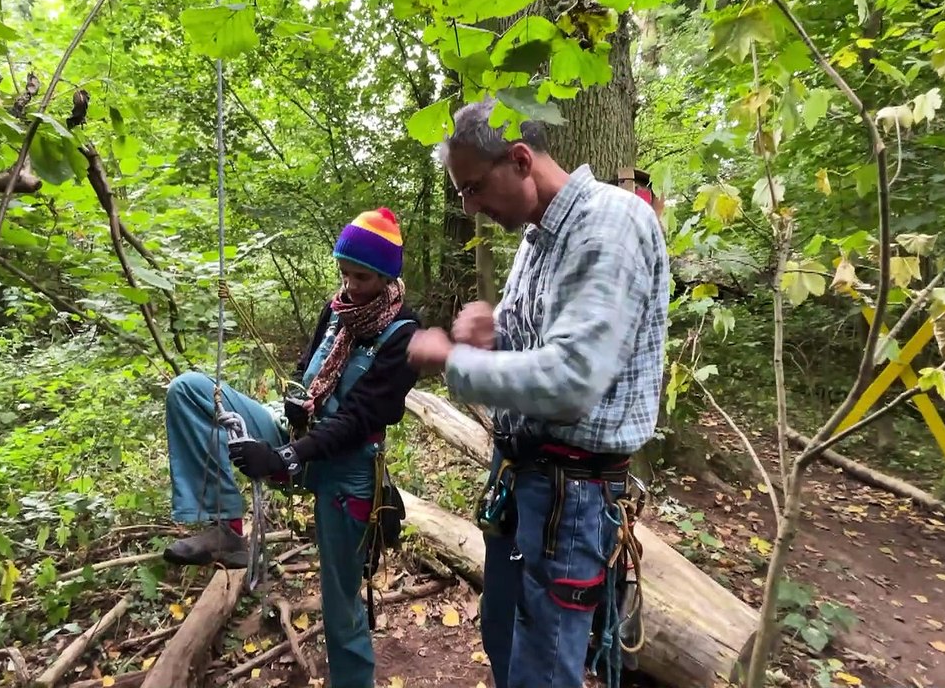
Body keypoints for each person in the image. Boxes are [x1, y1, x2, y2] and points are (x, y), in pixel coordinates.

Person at [406, 99, 670, 688]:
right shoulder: (536, 238)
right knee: (504, 634)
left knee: (543, 666)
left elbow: (571, 380)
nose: (470, 206)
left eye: (474, 188)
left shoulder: (611, 224)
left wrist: (456, 361)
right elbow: (536, 344)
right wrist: (492, 334)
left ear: (521, 159)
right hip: (524, 480)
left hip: (574, 496)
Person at [161, 207, 421, 688]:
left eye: (361, 276)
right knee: (190, 390)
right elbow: (309, 368)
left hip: (348, 471)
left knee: (341, 606)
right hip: (297, 438)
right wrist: (297, 406)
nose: (350, 285)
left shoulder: (405, 334)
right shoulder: (338, 309)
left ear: (386, 277)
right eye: (344, 272)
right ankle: (226, 528)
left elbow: (358, 418)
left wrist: (282, 457)